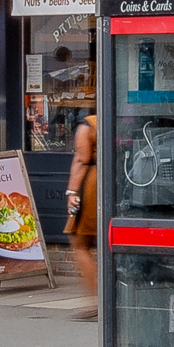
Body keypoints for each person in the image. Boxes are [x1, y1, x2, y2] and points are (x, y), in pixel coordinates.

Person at [67, 110, 100, 317]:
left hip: (92, 184)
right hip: (116, 179)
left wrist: (71, 192)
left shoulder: (86, 126)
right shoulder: (110, 122)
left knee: (79, 242)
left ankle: (97, 299)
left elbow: (82, 159)